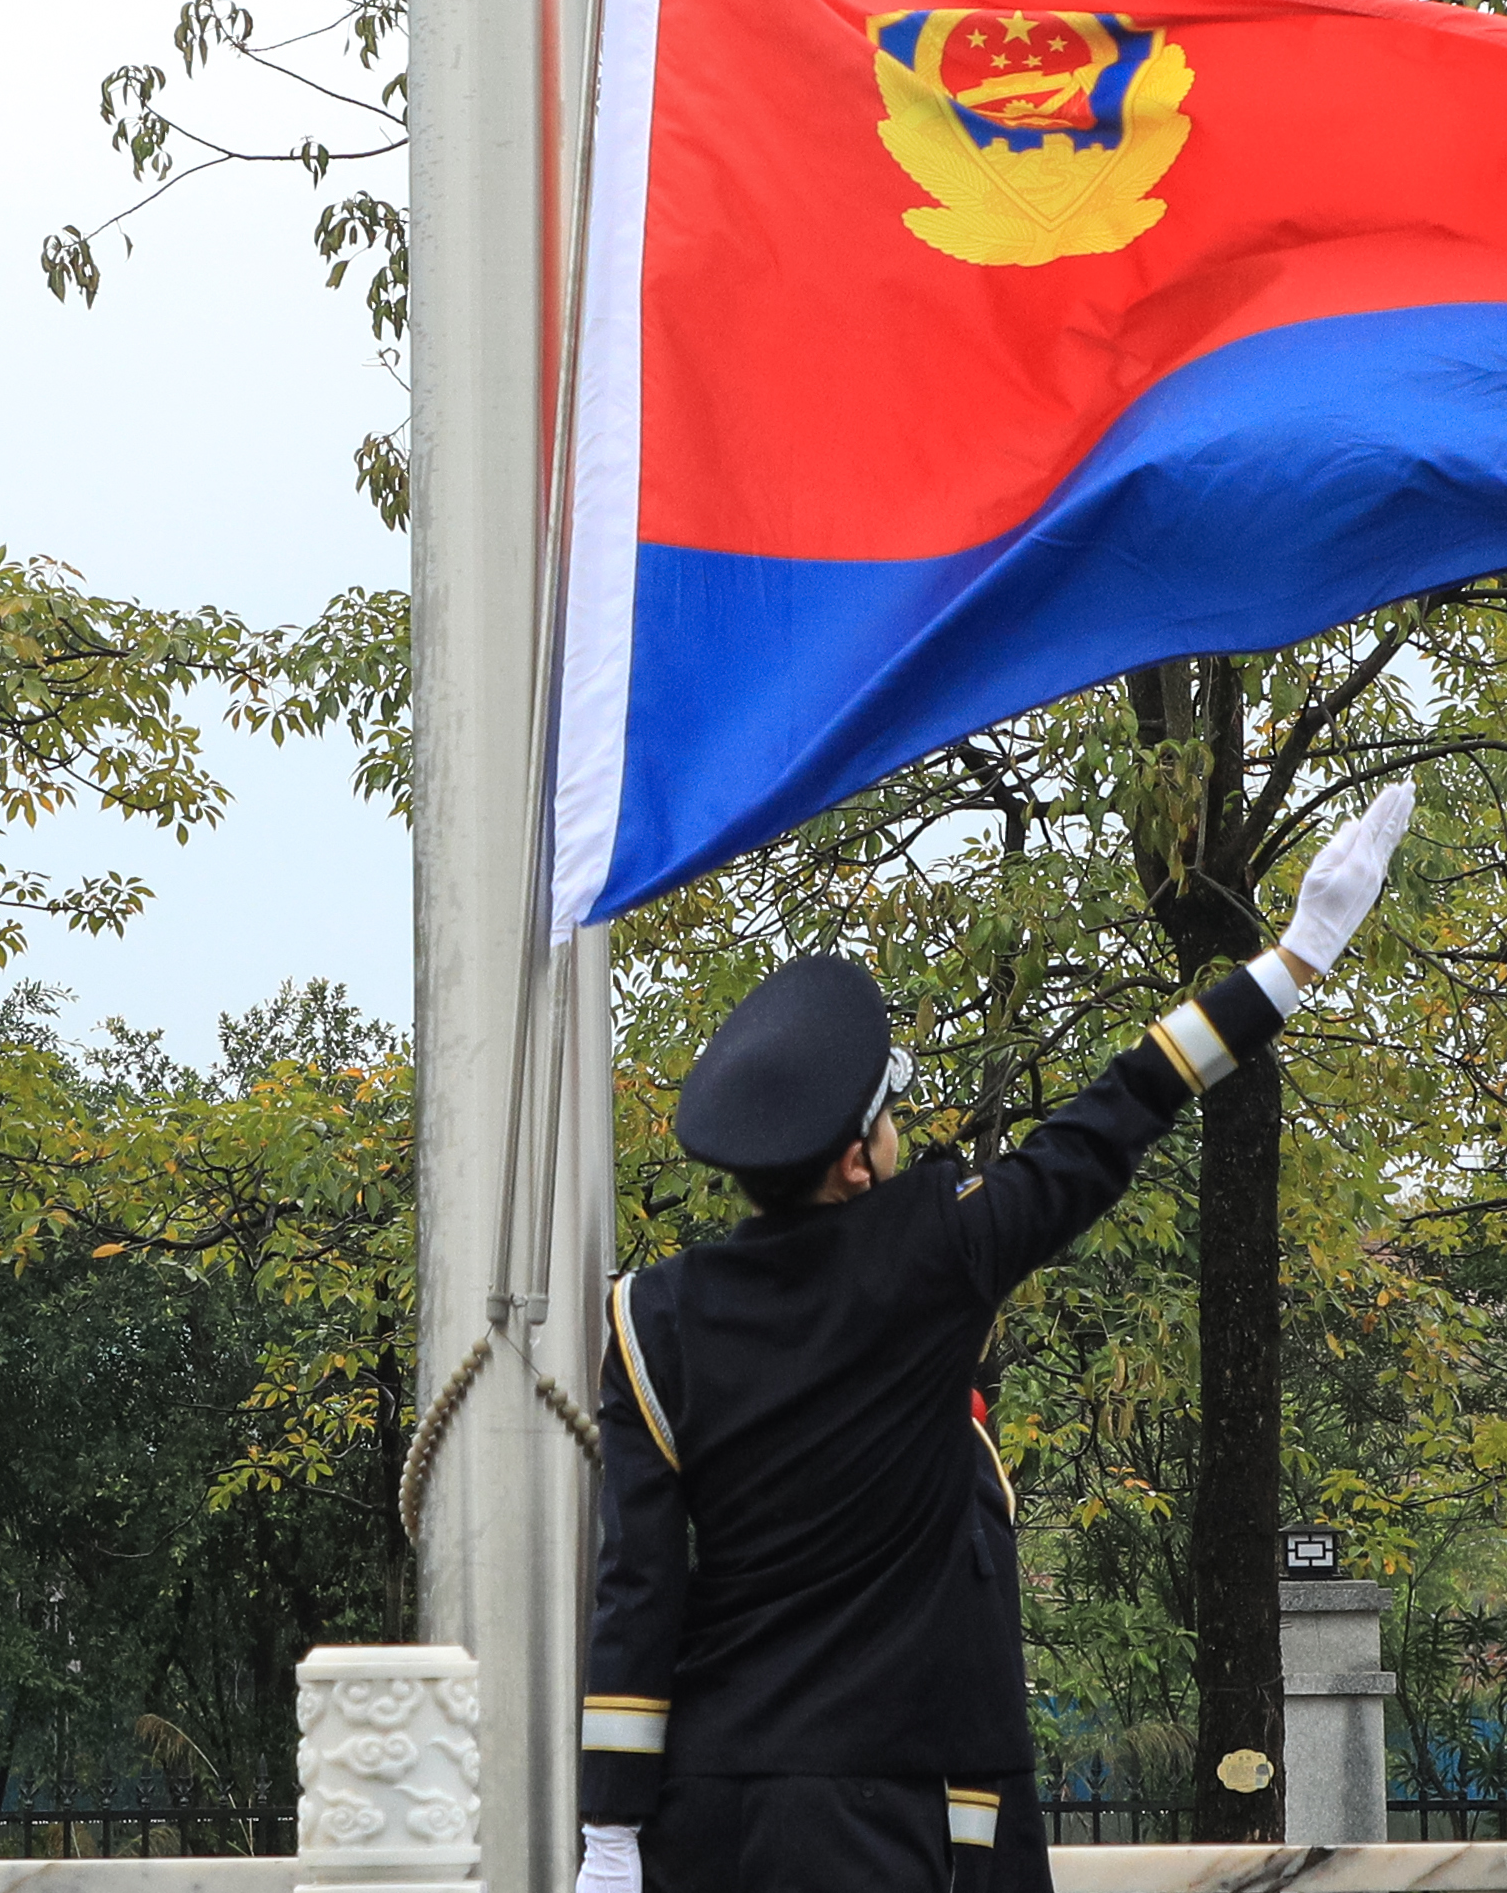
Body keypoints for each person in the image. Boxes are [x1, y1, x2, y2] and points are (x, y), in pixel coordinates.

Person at [578, 782, 1416, 1893]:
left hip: (713, 1818)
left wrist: (609, 1836)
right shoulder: (933, 1250)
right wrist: (1297, 958)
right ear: (854, 1161)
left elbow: (639, 1596)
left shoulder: (651, 1318)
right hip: (901, 1814)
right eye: (887, 1114)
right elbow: (1120, 1109)